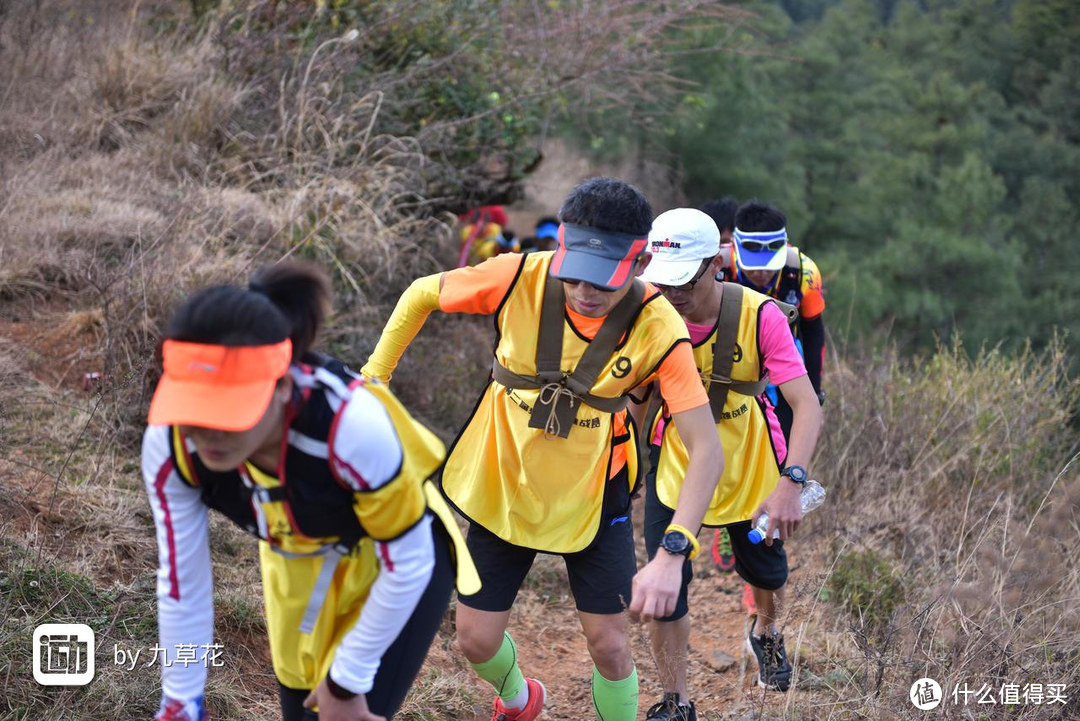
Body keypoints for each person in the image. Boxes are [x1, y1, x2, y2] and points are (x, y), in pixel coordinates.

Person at [362, 177, 724, 721]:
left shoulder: (658, 325)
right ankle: (520, 700)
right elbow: (421, 294)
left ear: (639, 262)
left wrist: (673, 553)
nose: (585, 291)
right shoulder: (516, 276)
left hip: (594, 492)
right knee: (476, 642)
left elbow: (706, 450)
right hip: (505, 478)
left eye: (602, 281)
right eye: (574, 274)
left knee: (610, 644)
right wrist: (375, 379)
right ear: (560, 248)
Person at [142, 261, 478, 721]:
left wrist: (347, 679)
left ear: (281, 386)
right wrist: (180, 702)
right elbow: (183, 582)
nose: (208, 434)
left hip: (398, 562)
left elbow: (408, 561)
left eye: (229, 411)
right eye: (195, 410)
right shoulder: (171, 443)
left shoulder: (350, 427)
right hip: (299, 561)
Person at [632, 209, 822, 720]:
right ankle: (676, 700)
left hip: (752, 464)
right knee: (668, 585)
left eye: (685, 283)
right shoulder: (648, 314)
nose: (672, 295)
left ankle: (766, 630)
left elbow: (807, 404)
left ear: (717, 264)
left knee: (766, 572)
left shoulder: (760, 316)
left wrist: (791, 482)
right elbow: (635, 398)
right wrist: (623, 464)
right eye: (662, 281)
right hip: (675, 466)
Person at [719, 200, 826, 438]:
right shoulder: (716, 267)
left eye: (769, 267)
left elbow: (813, 333)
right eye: (753, 267)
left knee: (781, 448)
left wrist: (815, 393)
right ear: (735, 248)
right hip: (723, 370)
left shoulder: (803, 272)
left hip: (784, 372)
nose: (761, 273)